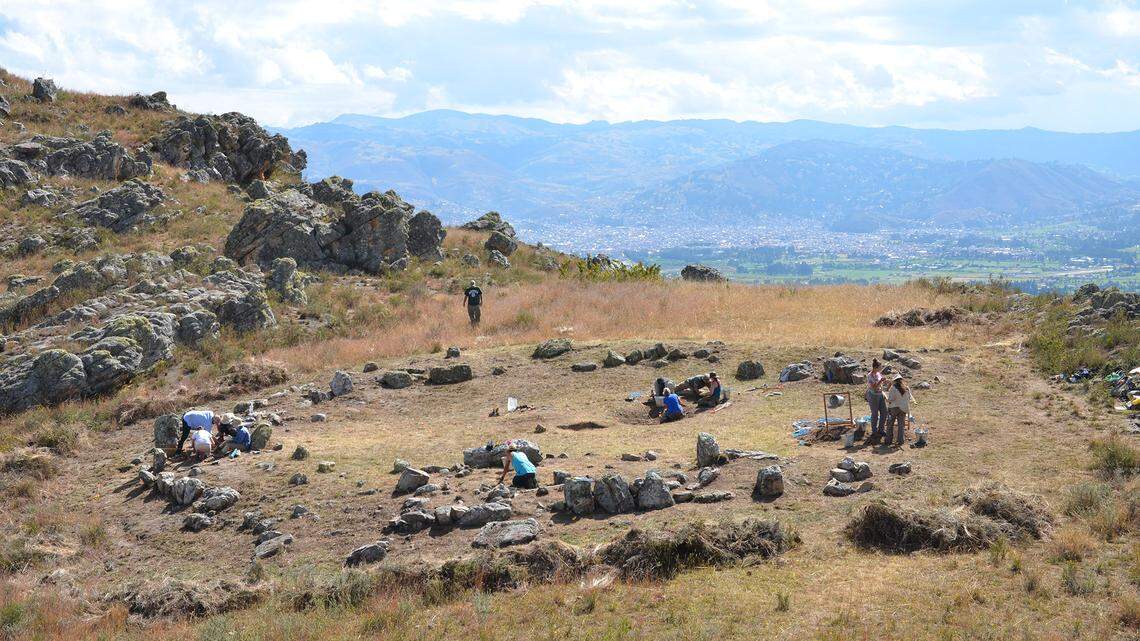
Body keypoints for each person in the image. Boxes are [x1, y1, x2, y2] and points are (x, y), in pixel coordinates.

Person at [884, 375, 915, 447]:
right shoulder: (906, 388)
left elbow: (890, 399)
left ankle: (888, 440)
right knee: (901, 425)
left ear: (894, 381)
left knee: (890, 424)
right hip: (903, 409)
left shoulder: (893, 388)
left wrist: (886, 398)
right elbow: (909, 398)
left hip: (894, 408)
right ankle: (901, 440)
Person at [865, 359, 888, 444]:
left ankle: (881, 429)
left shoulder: (878, 373)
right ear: (875, 367)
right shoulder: (870, 375)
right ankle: (874, 431)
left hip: (880, 394)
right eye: (879, 367)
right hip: (873, 395)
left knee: (884, 412)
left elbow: (880, 384)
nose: (881, 369)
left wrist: (884, 382)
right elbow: (874, 387)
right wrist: (880, 381)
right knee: (875, 414)